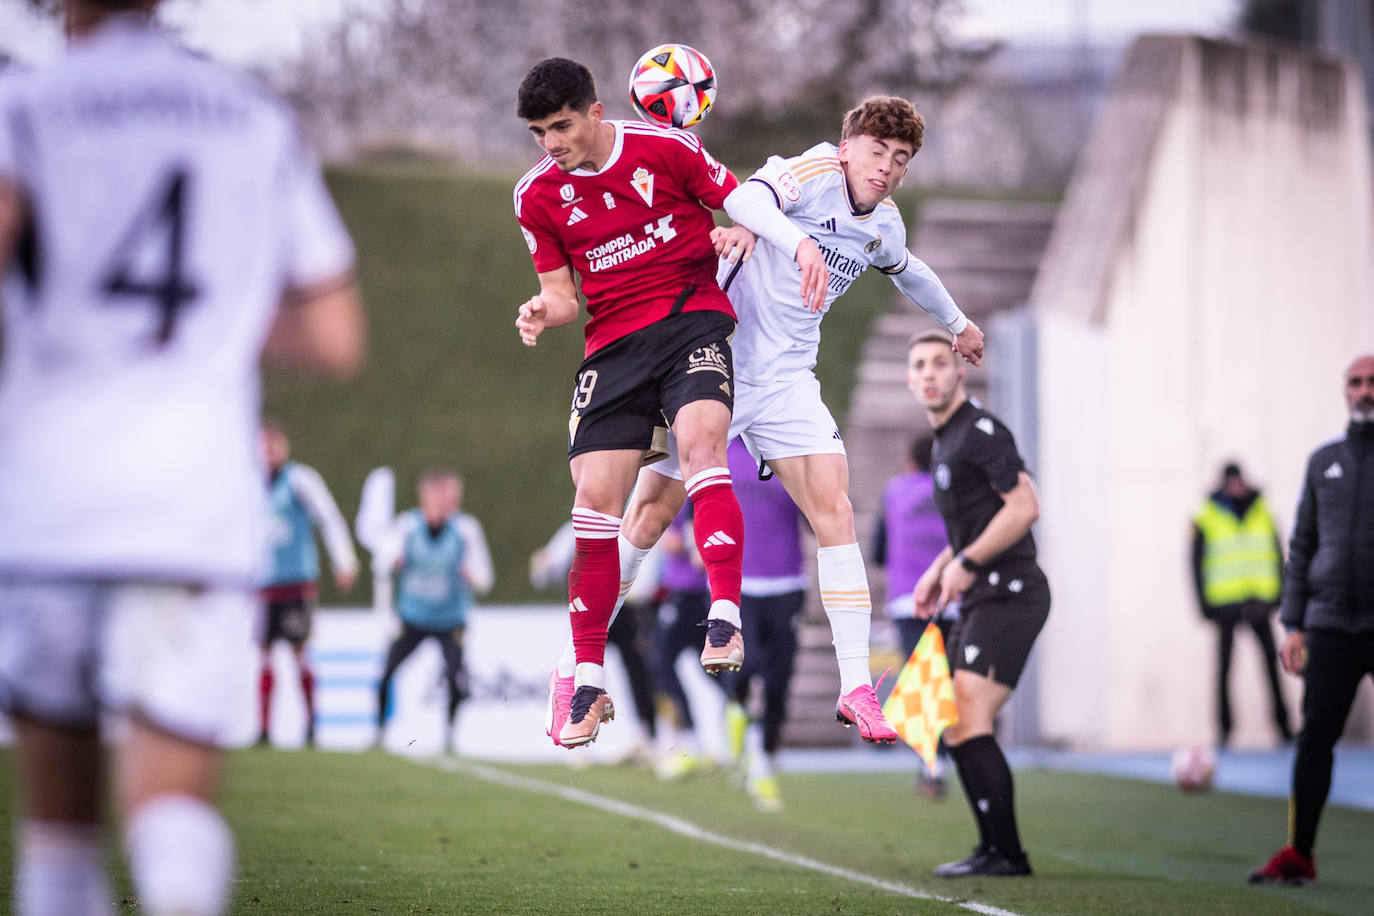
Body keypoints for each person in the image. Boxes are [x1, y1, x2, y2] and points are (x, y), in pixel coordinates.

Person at [0, 2, 366, 913]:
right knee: (171, 807)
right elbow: (334, 335)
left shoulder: (27, 105)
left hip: (53, 494)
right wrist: (221, 324)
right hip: (193, 498)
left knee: (58, 837)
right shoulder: (249, 114)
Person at [617, 95, 984, 744]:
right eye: (877, 152)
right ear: (847, 148)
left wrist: (956, 324)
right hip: (715, 363)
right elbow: (744, 201)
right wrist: (798, 244)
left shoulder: (884, 223)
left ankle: (856, 688)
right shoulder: (813, 171)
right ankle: (581, 653)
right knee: (648, 515)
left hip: (787, 380)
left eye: (900, 159)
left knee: (837, 512)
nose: (887, 167)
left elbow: (908, 270)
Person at [513, 57, 762, 748]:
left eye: (561, 125)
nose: (551, 143)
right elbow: (564, 293)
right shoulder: (535, 196)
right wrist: (543, 309)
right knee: (594, 503)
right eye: (539, 132)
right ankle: (587, 678)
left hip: (691, 322)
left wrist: (740, 230)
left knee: (701, 446)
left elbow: (743, 203)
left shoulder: (668, 148)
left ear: (596, 110)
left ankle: (723, 612)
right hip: (613, 350)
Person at [908, 331, 1048, 878]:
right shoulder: (945, 440)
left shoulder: (980, 431)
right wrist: (939, 568)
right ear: (909, 378)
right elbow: (975, 523)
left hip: (1012, 591)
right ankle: (995, 850)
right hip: (981, 594)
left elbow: (1024, 506)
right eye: (919, 365)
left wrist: (963, 565)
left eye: (940, 363)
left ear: (960, 372)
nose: (929, 374)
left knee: (967, 715)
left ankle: (1009, 854)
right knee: (953, 722)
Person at [1249, 354, 1374, 887]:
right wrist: (1294, 623)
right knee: (1314, 740)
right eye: (1356, 382)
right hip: (1329, 626)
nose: (1365, 390)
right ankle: (1299, 855)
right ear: (1344, 391)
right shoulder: (1324, 461)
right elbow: (1300, 547)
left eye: (1372, 382)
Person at [256, 419, 359, 748]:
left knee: (300, 653)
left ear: (284, 447)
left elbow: (328, 517)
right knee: (263, 655)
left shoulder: (300, 479)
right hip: (261, 585)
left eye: (274, 443)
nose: (269, 450)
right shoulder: (246, 483)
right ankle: (264, 729)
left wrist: (344, 561)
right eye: (263, 443)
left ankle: (312, 726)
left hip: (296, 583)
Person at [717, 436, 807, 812]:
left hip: (787, 584)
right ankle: (736, 713)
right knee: (743, 665)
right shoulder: (722, 450)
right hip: (739, 583)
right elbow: (695, 508)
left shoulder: (789, 449)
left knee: (779, 679)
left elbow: (816, 512)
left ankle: (765, 758)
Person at [374, 469, 493, 753]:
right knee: (386, 673)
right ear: (426, 496)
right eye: (442, 494)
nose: (449, 500)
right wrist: (393, 562)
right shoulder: (406, 527)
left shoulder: (466, 530)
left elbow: (486, 578)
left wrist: (471, 576)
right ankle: (378, 732)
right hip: (413, 617)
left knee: (456, 680)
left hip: (450, 620)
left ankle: (450, 735)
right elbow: (382, 562)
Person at [530, 520, 661, 762]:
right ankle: (576, 737)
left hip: (626, 613)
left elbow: (647, 584)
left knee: (637, 673)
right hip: (593, 612)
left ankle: (646, 735)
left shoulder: (634, 524)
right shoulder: (579, 526)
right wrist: (542, 565)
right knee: (583, 672)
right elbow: (546, 571)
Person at [873, 433, 957, 798]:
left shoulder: (894, 491)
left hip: (908, 599)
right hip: (950, 599)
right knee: (944, 679)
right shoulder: (952, 493)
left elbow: (878, 549)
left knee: (922, 678)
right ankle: (939, 760)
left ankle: (931, 763)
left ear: (910, 461)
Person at [1190, 461, 1293, 747]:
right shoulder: (1207, 513)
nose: (1235, 486)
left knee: (1272, 665)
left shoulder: (1262, 509)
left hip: (1258, 600)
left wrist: (1278, 597)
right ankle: (1224, 730)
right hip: (1225, 603)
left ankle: (1284, 727)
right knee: (1224, 668)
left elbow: (1276, 554)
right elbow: (1195, 562)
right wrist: (1204, 605)